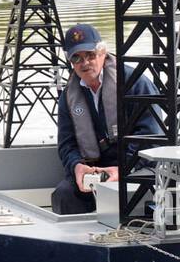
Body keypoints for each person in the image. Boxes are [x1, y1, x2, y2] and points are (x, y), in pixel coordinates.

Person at [51, 23, 161, 215]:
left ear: (102, 53)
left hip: (137, 165)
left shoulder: (135, 83)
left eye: (90, 55)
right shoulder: (67, 97)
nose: (84, 63)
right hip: (95, 169)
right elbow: (67, 145)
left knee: (137, 190)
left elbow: (152, 137)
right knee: (64, 193)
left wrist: (123, 169)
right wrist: (77, 166)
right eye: (77, 58)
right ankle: (80, 242)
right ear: (70, 61)